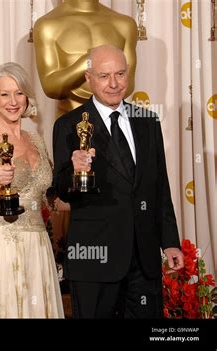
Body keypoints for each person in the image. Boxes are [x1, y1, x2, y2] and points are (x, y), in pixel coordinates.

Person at [52, 44, 184, 318]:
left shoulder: (148, 121)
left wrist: (170, 241)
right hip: (94, 260)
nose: (114, 84)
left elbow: (160, 187)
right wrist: (74, 170)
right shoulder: (69, 124)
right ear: (88, 78)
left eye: (121, 74)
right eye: (104, 76)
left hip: (143, 260)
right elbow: (61, 191)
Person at [0, 62, 64, 318]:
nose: (13, 101)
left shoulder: (36, 140)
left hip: (38, 246)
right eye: (4, 94)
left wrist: (79, 177)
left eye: (19, 92)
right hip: (1, 246)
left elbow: (49, 200)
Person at [33, 0, 137, 116]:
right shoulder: (47, 26)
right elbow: (51, 87)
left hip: (114, 120)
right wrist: (89, 61)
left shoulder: (125, 24)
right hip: (70, 121)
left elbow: (129, 82)